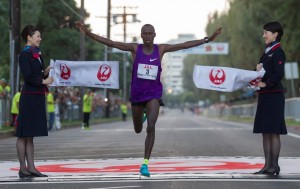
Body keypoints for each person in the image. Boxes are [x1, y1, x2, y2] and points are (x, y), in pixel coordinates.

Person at [75, 21, 222, 177]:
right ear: (141, 35)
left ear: (154, 35)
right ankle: (142, 115)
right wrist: (89, 34)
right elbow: (111, 43)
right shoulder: (134, 48)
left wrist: (208, 39)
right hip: (137, 95)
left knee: (151, 127)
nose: (147, 36)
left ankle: (145, 164)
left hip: (154, 94)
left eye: (150, 33)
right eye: (144, 33)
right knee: (138, 129)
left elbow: (184, 45)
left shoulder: (161, 49)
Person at [16, 25, 53, 178]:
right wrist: (44, 81)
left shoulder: (37, 54)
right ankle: (22, 168)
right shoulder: (24, 55)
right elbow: (28, 76)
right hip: (29, 97)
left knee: (30, 135)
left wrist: (46, 71)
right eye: (37, 36)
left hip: (37, 96)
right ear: (29, 37)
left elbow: (37, 74)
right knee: (23, 134)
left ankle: (31, 167)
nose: (40, 38)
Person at [253, 22, 287, 175]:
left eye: (266, 32)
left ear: (275, 34)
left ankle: (275, 165)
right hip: (265, 96)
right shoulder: (267, 52)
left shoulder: (278, 51)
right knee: (265, 131)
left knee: (273, 132)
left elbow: (279, 74)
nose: (263, 35)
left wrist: (266, 83)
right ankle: (267, 165)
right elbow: (265, 72)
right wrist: (257, 70)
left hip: (274, 95)